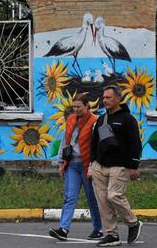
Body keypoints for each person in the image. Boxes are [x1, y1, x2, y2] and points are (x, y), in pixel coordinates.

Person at [88, 85, 143, 246]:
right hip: (99, 166)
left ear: (118, 98)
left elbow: (135, 144)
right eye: (104, 98)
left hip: (120, 166)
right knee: (103, 201)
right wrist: (92, 163)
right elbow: (94, 142)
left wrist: (134, 166)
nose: (104, 100)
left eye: (108, 97)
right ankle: (112, 235)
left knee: (114, 196)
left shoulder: (128, 119)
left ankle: (133, 223)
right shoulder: (101, 119)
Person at [49, 93, 104, 241]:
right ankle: (63, 229)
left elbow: (100, 145)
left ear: (87, 106)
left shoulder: (96, 121)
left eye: (78, 107)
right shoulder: (71, 119)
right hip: (72, 165)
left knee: (92, 199)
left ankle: (98, 229)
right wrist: (61, 162)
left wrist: (96, 165)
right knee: (69, 198)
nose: (75, 109)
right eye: (73, 106)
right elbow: (65, 141)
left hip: (88, 166)